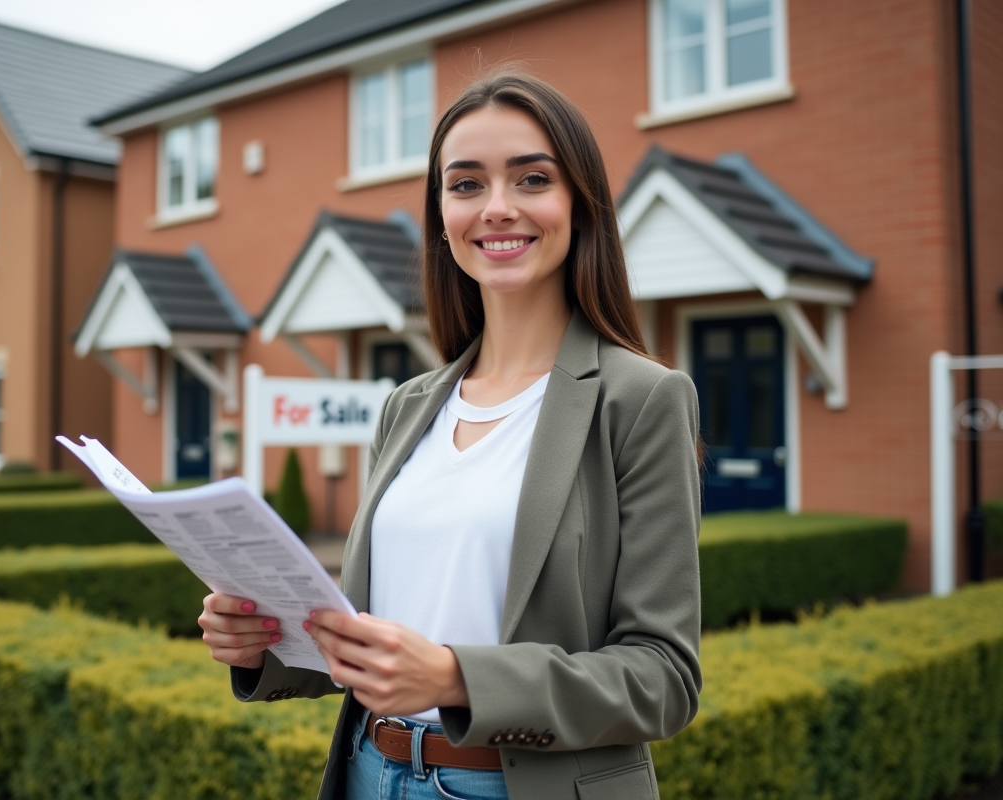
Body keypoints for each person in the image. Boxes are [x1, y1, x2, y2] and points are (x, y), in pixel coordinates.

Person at [198, 71, 702, 800]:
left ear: (580, 203)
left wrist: (458, 679)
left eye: (531, 179)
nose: (497, 208)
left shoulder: (642, 400)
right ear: (440, 214)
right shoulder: (409, 407)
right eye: (465, 185)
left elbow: (664, 678)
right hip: (370, 772)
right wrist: (265, 644)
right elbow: (369, 632)